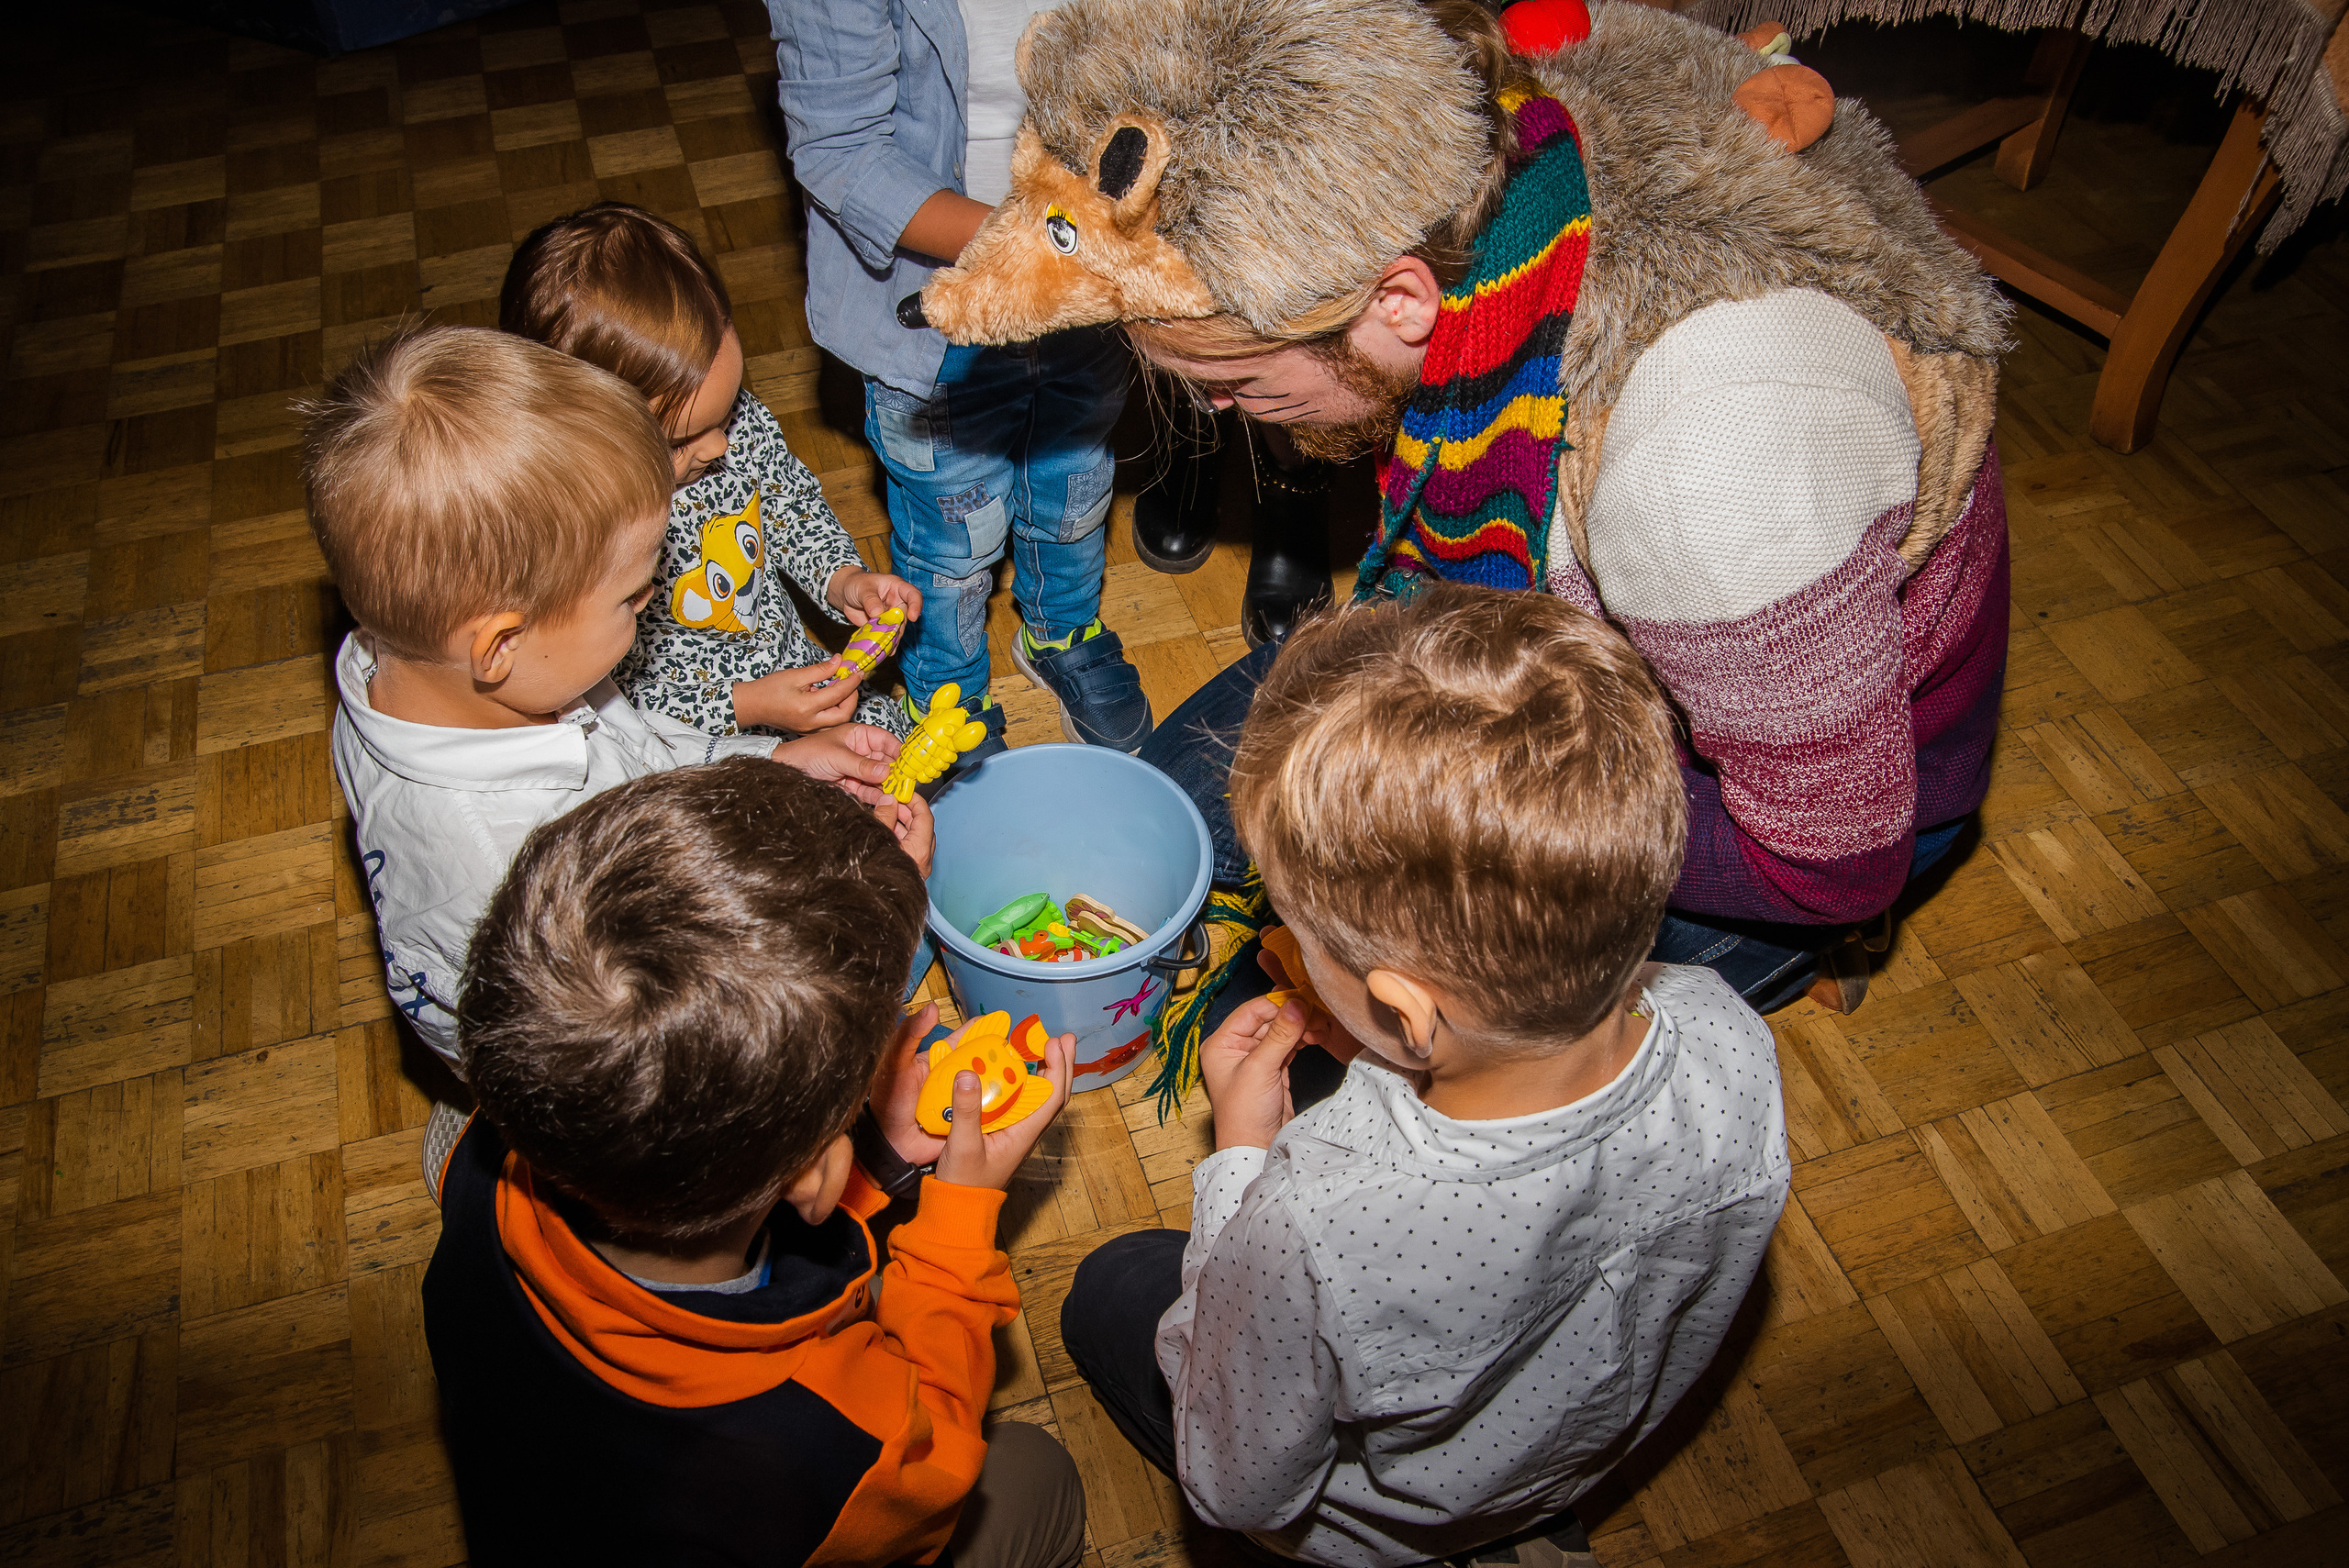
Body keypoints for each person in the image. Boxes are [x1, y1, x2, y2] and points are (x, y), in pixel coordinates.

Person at [907, 0, 2013, 1015]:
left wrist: (1430, 817)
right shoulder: (1480, 136)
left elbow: (1826, 860)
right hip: (1645, 635)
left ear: (1398, 299)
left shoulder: (1707, 468)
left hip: (1782, 816)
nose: (1228, 416)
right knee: (1175, 802)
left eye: (1235, 381)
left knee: (1330, 1031)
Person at [1059, 585, 1790, 1567]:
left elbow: (1233, 1482)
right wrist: (1375, 1046)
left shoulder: (1311, 1219)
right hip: (1561, 1448)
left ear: (1408, 1011)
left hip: (1368, 1524)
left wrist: (1240, 1158)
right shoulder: (1727, 1029)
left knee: (1107, 1288)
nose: (1279, 941)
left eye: (1299, 930)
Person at [426, 758, 1085, 1567]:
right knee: (1039, 1479)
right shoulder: (836, 1442)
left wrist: (870, 1155)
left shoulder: (485, 1156)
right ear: (811, 1182)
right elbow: (935, 1448)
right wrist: (957, 1221)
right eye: (862, 1080)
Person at [305, 324, 921, 1068]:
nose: (655, 600)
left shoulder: (484, 672)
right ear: (500, 645)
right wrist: (874, 908)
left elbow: (640, 749)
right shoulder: (494, 872)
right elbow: (637, 1055)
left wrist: (773, 760)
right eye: (633, 598)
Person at [769, 0, 1153, 755]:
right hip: (937, 308)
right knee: (952, 543)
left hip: (1098, 291)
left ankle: (1061, 629)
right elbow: (839, 150)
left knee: (1075, 485)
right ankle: (947, 688)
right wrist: (1038, 255)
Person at [501, 202, 921, 742]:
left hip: (786, 666)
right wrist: (745, 706)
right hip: (700, 739)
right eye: (681, 441)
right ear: (582, 444)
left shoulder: (727, 426)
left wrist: (842, 581)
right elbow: (613, 705)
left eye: (726, 414)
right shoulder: (576, 539)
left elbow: (791, 508)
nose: (721, 444)